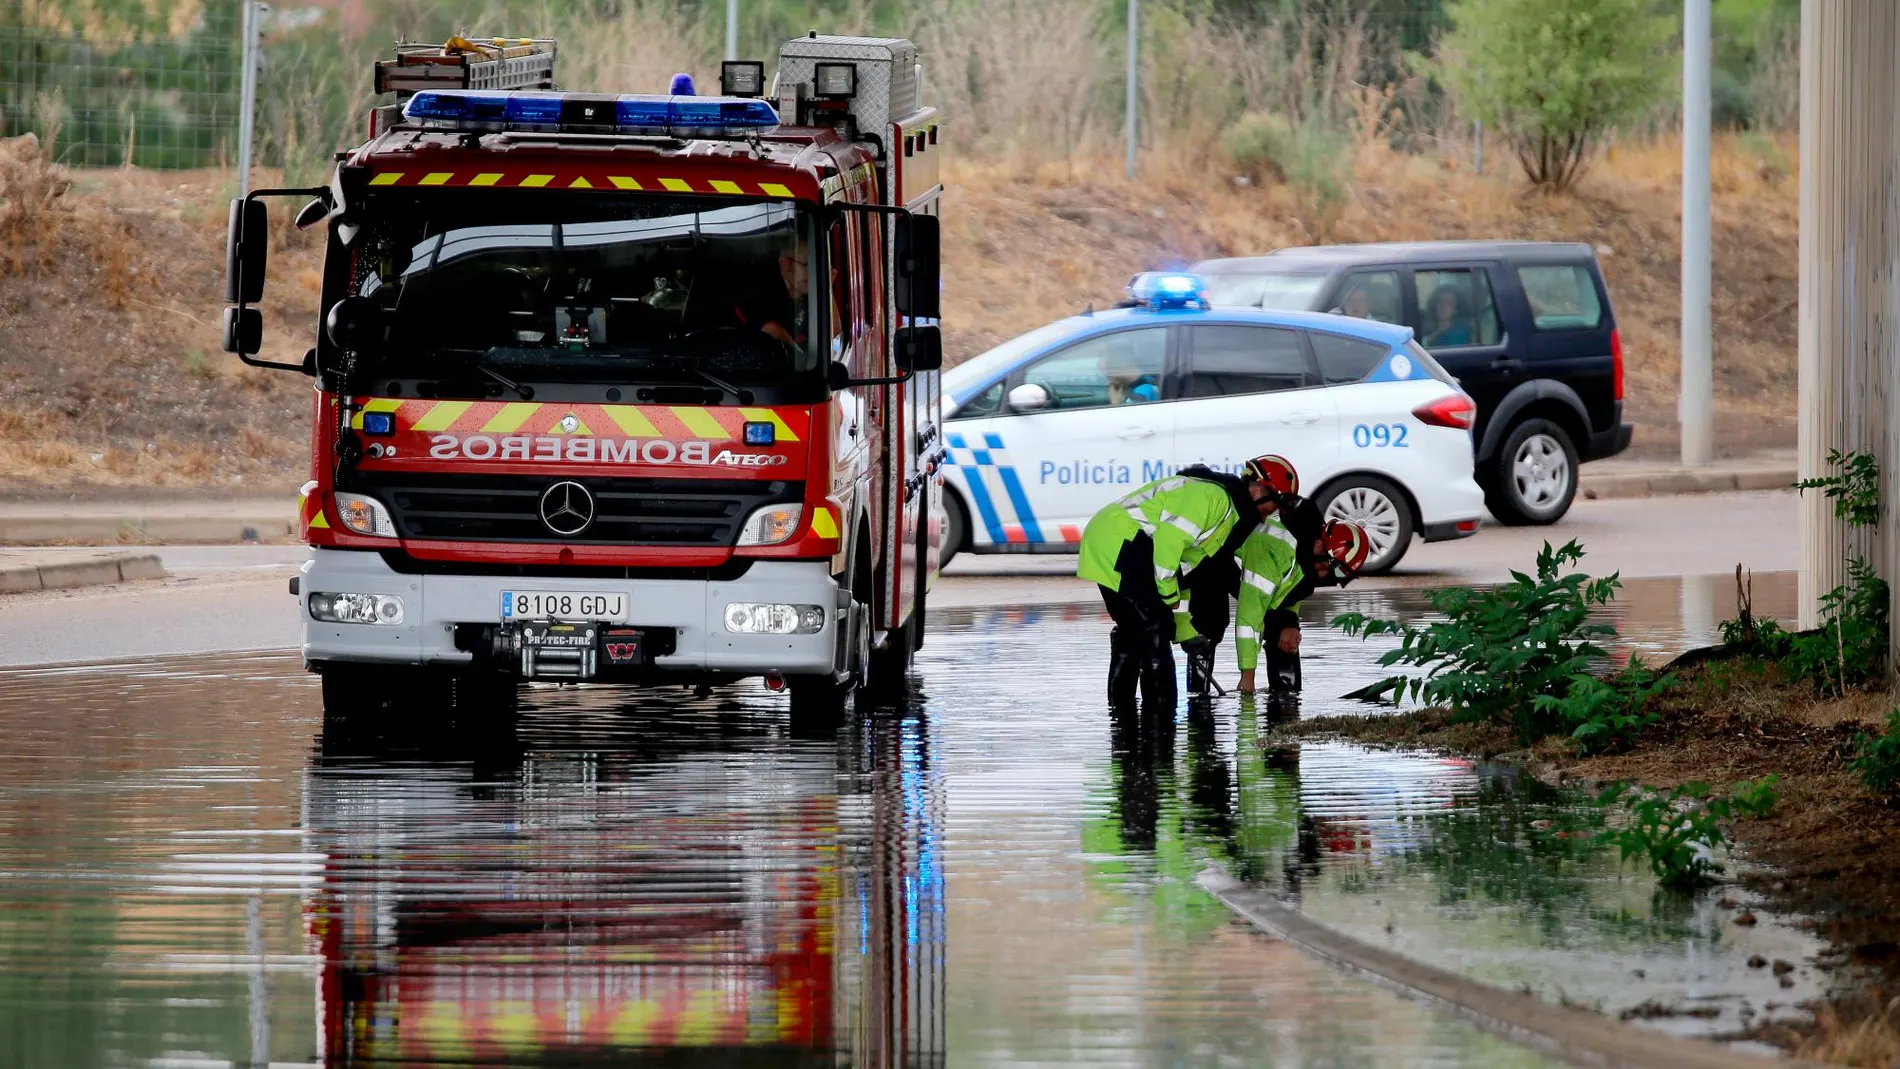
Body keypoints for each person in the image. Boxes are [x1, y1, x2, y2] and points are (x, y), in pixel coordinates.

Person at [1078, 455, 1300, 712]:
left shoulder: (1230, 516)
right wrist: (1168, 595)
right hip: (1118, 543)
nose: (1272, 513)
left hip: (1116, 541)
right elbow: (1169, 544)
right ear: (1258, 488)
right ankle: (1159, 726)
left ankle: (1122, 720)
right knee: (1155, 631)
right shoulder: (1213, 499)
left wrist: (1185, 627)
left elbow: (1191, 568)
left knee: (1132, 633)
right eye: (1275, 503)